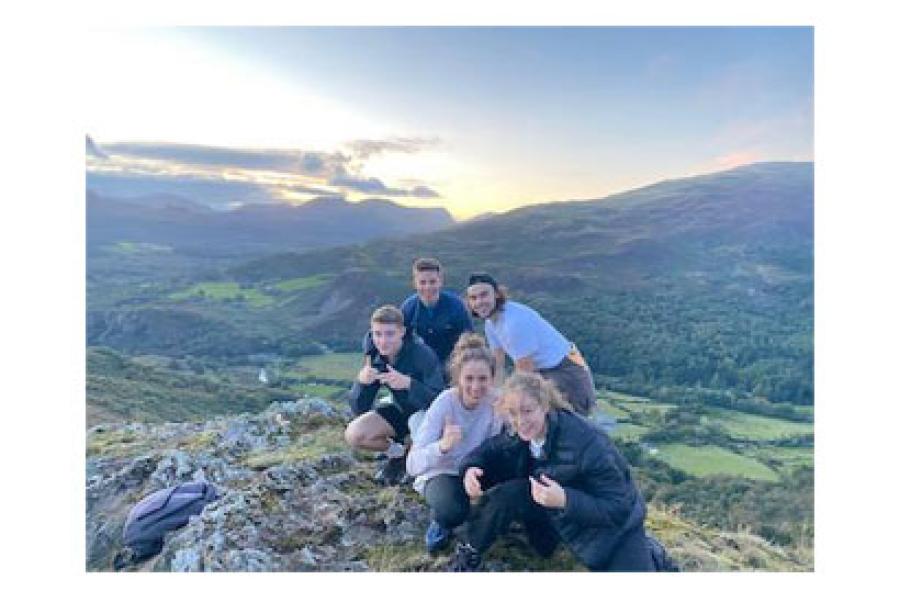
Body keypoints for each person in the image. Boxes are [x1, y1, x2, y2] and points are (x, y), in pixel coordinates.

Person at [450, 372, 654, 572]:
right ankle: (471, 552)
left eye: (528, 411)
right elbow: (491, 449)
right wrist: (471, 468)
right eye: (512, 413)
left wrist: (566, 500)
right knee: (507, 495)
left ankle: (653, 552)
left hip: (611, 526)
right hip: (554, 514)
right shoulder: (518, 432)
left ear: (545, 406)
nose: (520, 421)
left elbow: (619, 506)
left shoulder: (587, 443)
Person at [406, 333, 505, 554]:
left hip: (477, 468)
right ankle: (441, 522)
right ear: (458, 377)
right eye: (469, 378)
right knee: (452, 511)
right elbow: (412, 464)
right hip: (444, 469)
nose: (476, 386)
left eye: (483, 379)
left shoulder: (496, 403)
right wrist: (443, 445)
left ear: (492, 377)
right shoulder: (444, 403)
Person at [465, 272, 596, 415]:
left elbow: (525, 372)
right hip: (543, 373)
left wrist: (506, 403)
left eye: (484, 295)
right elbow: (498, 364)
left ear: (496, 294)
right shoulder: (491, 324)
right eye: (473, 298)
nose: (479, 302)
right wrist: (494, 396)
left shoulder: (514, 322)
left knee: (557, 425)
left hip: (566, 374)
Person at [345, 305, 445, 485]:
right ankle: (398, 453)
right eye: (378, 334)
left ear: (402, 332)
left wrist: (409, 384)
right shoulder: (376, 356)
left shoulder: (422, 355)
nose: (383, 341)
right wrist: (361, 384)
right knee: (354, 434)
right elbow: (359, 408)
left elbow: (440, 401)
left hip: (427, 417)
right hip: (400, 411)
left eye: (390, 334)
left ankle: (413, 460)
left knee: (419, 450)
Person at [400, 258, 474, 367]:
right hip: (421, 365)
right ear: (415, 284)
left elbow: (469, 338)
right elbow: (399, 340)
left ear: (440, 282)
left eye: (432, 282)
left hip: (453, 363)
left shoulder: (456, 305)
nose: (428, 287)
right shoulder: (408, 308)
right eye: (422, 282)